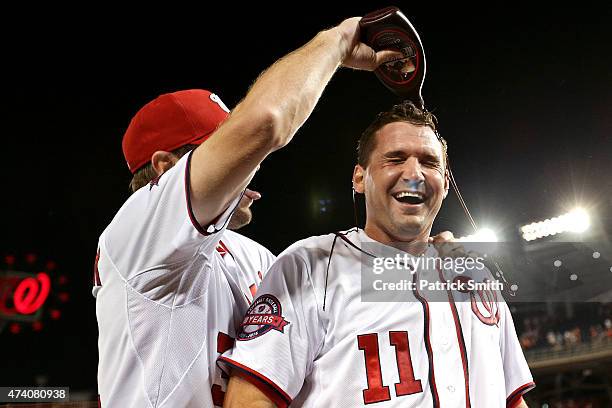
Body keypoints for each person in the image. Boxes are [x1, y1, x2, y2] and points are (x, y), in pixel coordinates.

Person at [92, 17, 400, 408]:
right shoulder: (141, 227)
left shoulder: (247, 254)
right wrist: (337, 41)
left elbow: (337, 303)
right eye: (223, 150)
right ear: (166, 168)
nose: (249, 165)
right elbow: (266, 121)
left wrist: (423, 264)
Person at [220, 101, 535, 407]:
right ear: (359, 178)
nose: (414, 174)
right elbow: (248, 398)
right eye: (395, 159)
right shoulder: (310, 265)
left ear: (446, 183)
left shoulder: (475, 277)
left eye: (429, 162)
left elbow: (513, 399)